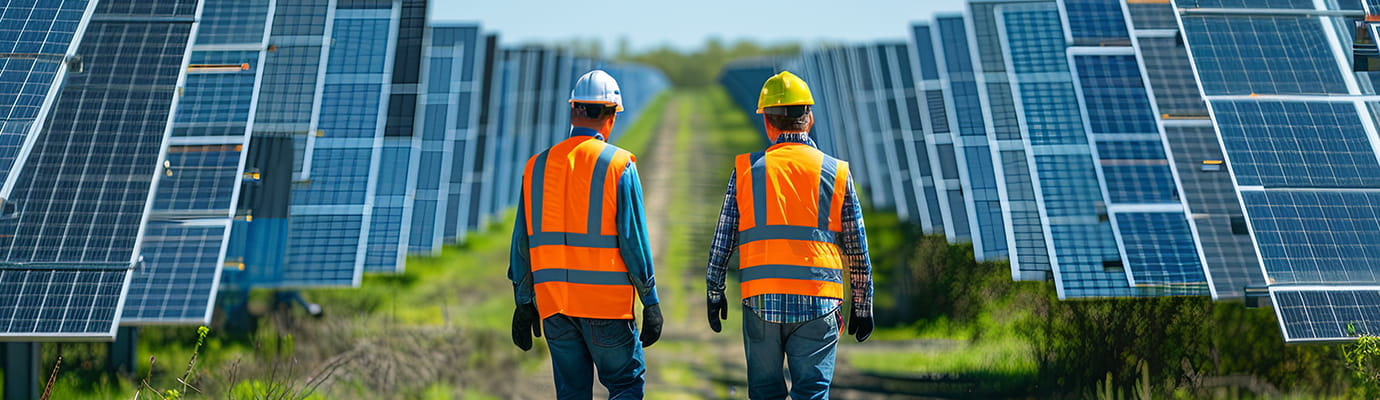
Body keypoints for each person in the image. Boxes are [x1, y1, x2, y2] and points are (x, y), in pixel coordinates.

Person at [704, 71, 874, 399]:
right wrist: (863, 303)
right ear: (808, 119)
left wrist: (715, 292)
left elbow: (722, 240)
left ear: (768, 123)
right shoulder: (837, 172)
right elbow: (856, 247)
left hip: (760, 300)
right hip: (819, 299)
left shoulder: (746, 170)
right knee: (811, 393)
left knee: (765, 393)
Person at [508, 70, 662, 399]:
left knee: (572, 393)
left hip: (555, 306)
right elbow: (634, 241)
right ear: (610, 116)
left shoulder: (536, 166)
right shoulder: (619, 164)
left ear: (573, 110)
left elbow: (522, 243)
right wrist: (650, 300)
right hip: (605, 307)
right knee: (624, 386)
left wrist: (523, 302)